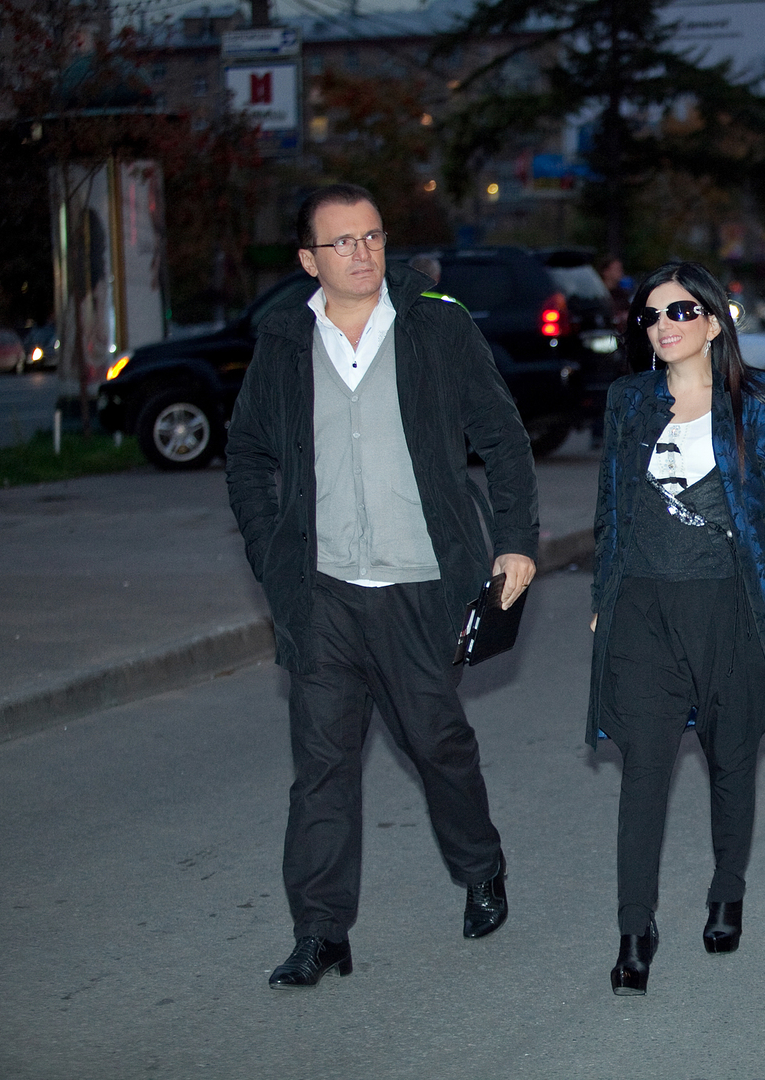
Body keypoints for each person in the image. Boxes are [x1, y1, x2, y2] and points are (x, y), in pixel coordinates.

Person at [226, 183, 539, 988]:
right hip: (323, 592)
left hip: (419, 586)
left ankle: (481, 866)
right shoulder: (283, 340)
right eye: (342, 242)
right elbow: (247, 454)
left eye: (372, 236)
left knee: (437, 745)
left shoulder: (436, 325)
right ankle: (320, 931)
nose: (362, 253)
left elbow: (503, 438)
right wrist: (271, 554)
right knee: (322, 769)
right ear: (309, 260)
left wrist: (515, 541)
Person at [587, 261, 765, 996]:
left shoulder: (754, 403)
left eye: (681, 312)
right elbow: (610, 507)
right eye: (652, 315)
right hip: (643, 609)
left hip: (731, 606)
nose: (664, 326)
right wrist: (604, 594)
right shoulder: (629, 401)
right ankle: (635, 931)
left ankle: (728, 889)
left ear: (715, 322)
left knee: (731, 758)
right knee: (644, 768)